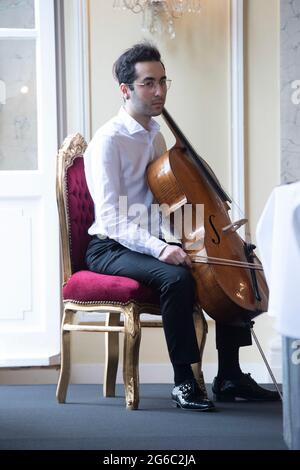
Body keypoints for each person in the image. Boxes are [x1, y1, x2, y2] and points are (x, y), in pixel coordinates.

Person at [84, 42, 280, 411]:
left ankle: (230, 376)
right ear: (125, 89)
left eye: (162, 81)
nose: (159, 91)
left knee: (220, 264)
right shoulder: (108, 141)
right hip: (110, 246)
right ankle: (184, 382)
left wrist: (200, 239)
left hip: (149, 235)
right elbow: (111, 217)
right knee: (177, 278)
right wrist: (161, 249)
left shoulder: (155, 134)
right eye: (148, 83)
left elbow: (166, 198)